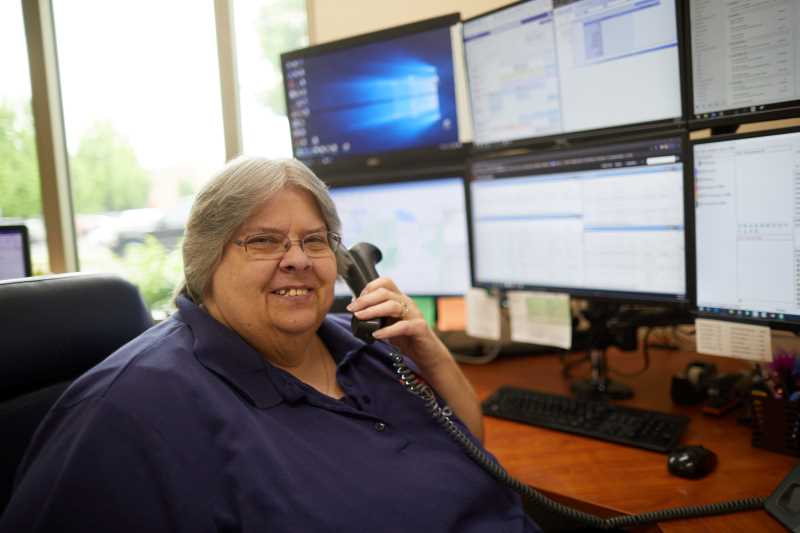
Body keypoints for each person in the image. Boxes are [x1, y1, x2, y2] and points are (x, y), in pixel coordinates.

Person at [0, 157, 540, 532]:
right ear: (206, 262)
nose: (299, 259)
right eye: (263, 240)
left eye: (315, 240)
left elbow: (471, 453)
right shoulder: (132, 408)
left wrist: (430, 349)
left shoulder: (359, 347)